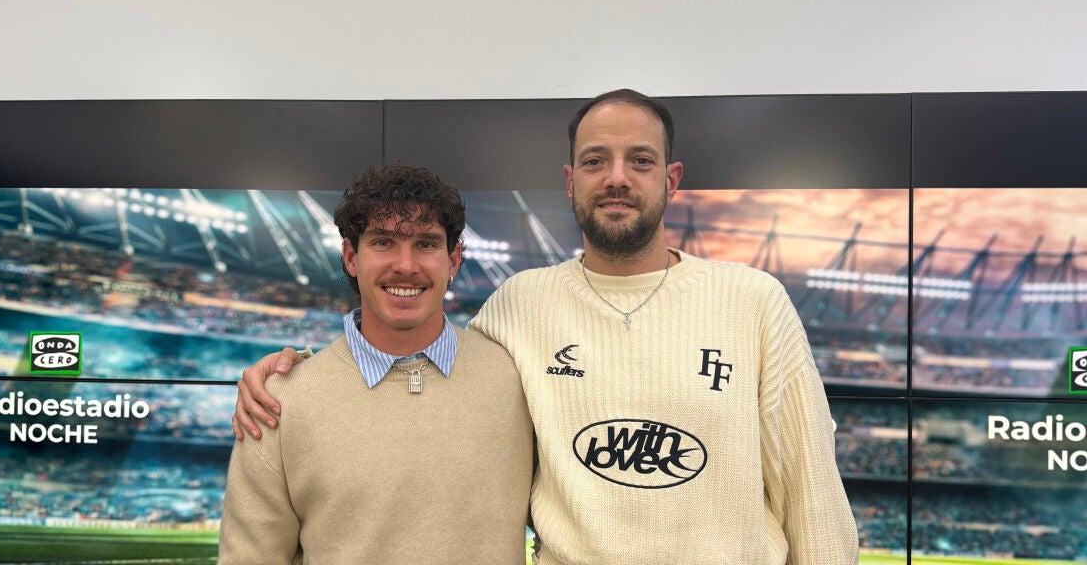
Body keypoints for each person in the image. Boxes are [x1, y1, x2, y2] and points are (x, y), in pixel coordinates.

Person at [234, 91, 859, 564]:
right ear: (571, 181)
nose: (617, 177)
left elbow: (813, 494)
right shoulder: (520, 304)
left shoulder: (753, 302)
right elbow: (412, 351)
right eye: (595, 160)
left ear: (671, 179)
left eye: (640, 160)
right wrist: (296, 368)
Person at [218, 164, 533, 564]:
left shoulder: (517, 379)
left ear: (453, 261)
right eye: (383, 242)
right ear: (351, 257)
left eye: (426, 243)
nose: (405, 265)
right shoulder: (277, 401)